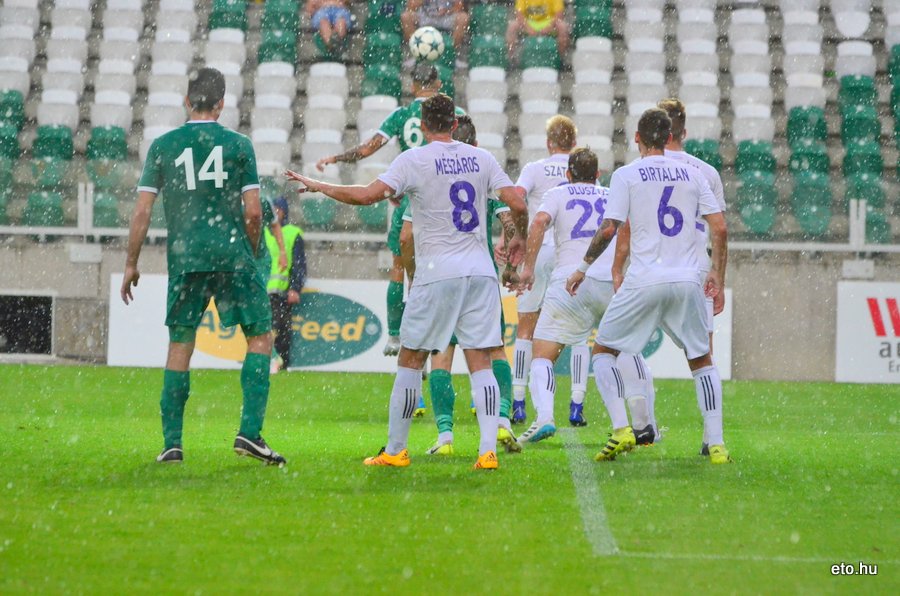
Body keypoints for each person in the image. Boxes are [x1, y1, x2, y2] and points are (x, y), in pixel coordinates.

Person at [286, 94, 528, 470]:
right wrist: (519, 239)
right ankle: (486, 452)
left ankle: (396, 449)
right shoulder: (483, 158)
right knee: (480, 358)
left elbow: (368, 196)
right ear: (453, 122)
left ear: (423, 124)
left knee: (412, 358)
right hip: (480, 273)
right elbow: (519, 203)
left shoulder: (414, 159)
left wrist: (320, 186)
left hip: (437, 274)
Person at [120, 67, 286, 466]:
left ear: (186, 100)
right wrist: (249, 251)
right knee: (260, 337)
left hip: (186, 257)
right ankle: (249, 432)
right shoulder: (239, 145)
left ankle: (172, 444)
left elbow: (142, 210)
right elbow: (252, 213)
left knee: (180, 345)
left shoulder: (163, 145)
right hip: (233, 257)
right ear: (222, 103)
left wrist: (131, 263)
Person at [566, 108, 731, 464]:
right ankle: (716, 443)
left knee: (604, 353)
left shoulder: (627, 175)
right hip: (687, 281)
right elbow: (719, 228)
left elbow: (611, 228)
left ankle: (623, 429)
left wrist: (583, 267)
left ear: (637, 139)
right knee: (702, 361)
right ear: (670, 136)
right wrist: (718, 273)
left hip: (644, 280)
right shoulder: (694, 174)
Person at [315, 63, 463, 364]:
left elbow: (368, 149)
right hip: (440, 200)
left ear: (412, 86)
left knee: (400, 266)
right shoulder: (451, 113)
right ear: (437, 83)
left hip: (410, 198)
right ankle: (433, 334)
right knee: (434, 269)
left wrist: (336, 158)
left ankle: (396, 334)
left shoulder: (401, 115)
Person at [512, 147, 656, 445]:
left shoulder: (558, 193)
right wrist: (619, 268)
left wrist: (528, 268)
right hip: (606, 281)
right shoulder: (609, 195)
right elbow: (625, 227)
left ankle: (544, 418)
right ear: (598, 174)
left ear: (568, 174)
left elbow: (538, 222)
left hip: (571, 281)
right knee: (625, 351)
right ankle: (641, 426)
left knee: (543, 354)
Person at [403, 115, 521, 456]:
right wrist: (510, 260)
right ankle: (500, 422)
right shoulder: (481, 172)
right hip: (477, 276)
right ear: (474, 143)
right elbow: (510, 218)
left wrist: (413, 275)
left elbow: (406, 235)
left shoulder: (427, 172)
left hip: (439, 276)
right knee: (492, 350)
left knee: (441, 354)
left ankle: (445, 437)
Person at [509, 115, 591, 427]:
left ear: (549, 143)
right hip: (570, 253)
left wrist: (518, 231)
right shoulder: (583, 174)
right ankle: (576, 405)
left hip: (539, 250)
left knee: (526, 328)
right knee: (580, 332)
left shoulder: (534, 168)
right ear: (574, 143)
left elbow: (516, 198)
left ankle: (518, 403)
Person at [266, 197, 307, 373]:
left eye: (278, 209)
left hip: (282, 290)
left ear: (284, 212)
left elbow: (299, 263)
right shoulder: (262, 231)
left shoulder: (292, 233)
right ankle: (270, 360)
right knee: (266, 327)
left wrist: (294, 288)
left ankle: (281, 362)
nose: (275, 212)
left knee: (281, 328)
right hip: (263, 288)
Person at [401, 0, 469, 51]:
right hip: (425, 16)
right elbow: (411, 7)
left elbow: (459, 7)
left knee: (463, 18)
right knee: (406, 16)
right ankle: (415, 52)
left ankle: (452, 52)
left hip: (446, 17)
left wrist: (447, 10)